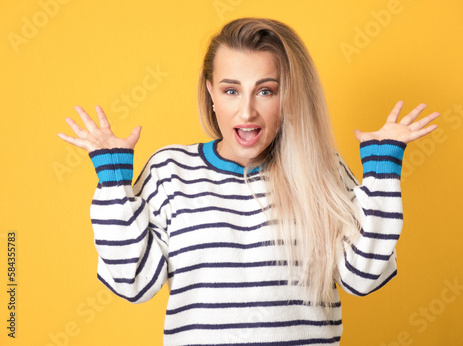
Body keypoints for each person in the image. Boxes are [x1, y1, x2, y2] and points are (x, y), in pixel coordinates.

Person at [57, 17, 439, 345]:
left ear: (289, 96)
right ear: (210, 93)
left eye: (266, 90)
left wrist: (383, 169)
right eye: (231, 90)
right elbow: (134, 283)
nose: (247, 110)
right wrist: (113, 181)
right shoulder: (169, 171)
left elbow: (363, 276)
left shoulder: (320, 170)